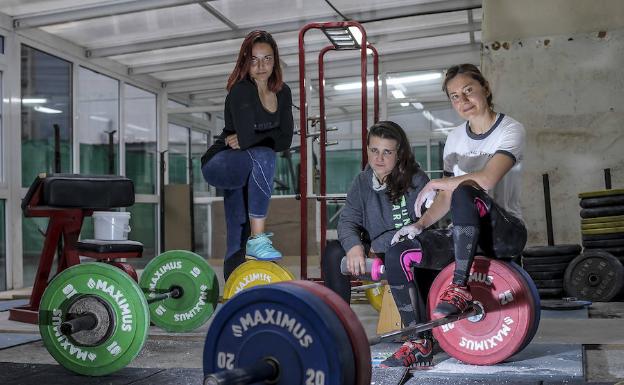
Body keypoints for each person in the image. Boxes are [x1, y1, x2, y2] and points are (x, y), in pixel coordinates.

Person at [392, 63, 527, 320]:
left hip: (503, 232)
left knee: (466, 190)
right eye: (455, 96)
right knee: (403, 250)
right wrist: (419, 225)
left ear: (485, 88)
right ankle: (418, 339)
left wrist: (436, 183)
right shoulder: (454, 138)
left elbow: (486, 180)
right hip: (465, 233)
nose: (463, 100)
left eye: (468, 90)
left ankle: (459, 287)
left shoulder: (511, 129)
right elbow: (446, 196)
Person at [321, 120, 438, 368]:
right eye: (374, 150)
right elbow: (347, 221)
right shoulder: (362, 182)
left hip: (411, 254)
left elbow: (426, 227)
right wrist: (354, 246)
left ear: (400, 153)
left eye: (387, 151)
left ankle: (422, 337)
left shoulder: (416, 180)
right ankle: (338, 330)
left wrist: (378, 244)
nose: (379, 158)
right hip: (380, 254)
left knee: (403, 252)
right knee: (333, 252)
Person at [201, 30, 293, 281]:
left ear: (275, 60)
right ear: (245, 62)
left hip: (247, 165)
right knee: (265, 156)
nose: (262, 66)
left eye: (267, 58)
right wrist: (261, 138)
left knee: (238, 227)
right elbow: (255, 137)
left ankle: (235, 291)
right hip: (220, 162)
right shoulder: (241, 91)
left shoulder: (283, 93)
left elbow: (287, 140)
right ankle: (258, 238)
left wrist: (252, 139)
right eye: (254, 59)